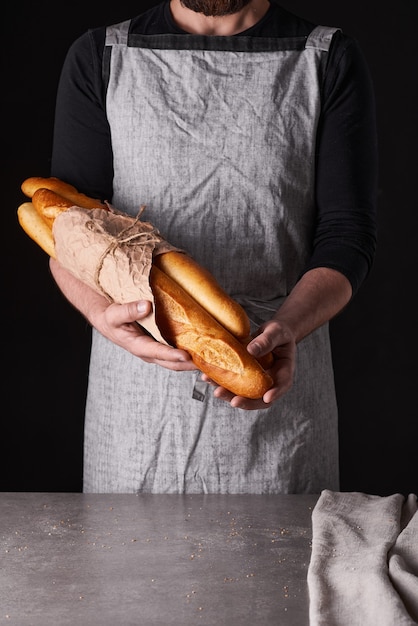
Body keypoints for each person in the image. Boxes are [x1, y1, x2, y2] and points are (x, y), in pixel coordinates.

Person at [49, 0, 378, 494]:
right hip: (137, 404)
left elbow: (347, 235)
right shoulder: (103, 54)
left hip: (276, 379)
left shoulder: (326, 57)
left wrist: (287, 326)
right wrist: (103, 316)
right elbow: (69, 232)